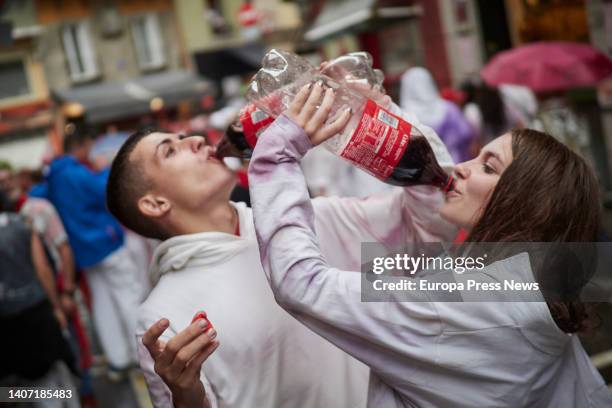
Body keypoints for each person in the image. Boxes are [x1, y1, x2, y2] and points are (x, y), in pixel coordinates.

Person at [247, 82, 612, 407]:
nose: (461, 167)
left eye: (489, 167)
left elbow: (303, 284)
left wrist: (277, 156)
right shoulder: (525, 283)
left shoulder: (469, 296)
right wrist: (391, 121)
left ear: (529, 203)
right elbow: (427, 232)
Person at [105, 129, 371, 407]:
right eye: (169, 151)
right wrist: (189, 399)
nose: (197, 140)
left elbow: (410, 256)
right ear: (155, 203)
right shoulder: (161, 318)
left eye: (185, 137)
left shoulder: (300, 219)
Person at [30, 130, 146, 376]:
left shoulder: (53, 176)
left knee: (102, 304)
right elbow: (106, 189)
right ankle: (142, 355)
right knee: (128, 296)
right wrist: (105, 169)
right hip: (106, 242)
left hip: (83, 251)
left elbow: (35, 195)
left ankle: (118, 358)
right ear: (80, 145)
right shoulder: (76, 172)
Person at [0, 191, 78, 405]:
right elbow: (43, 269)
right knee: (52, 377)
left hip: (7, 320)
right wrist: (56, 306)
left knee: (19, 384)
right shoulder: (23, 225)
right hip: (36, 312)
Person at [400, 67, 475, 162]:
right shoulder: (449, 108)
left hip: (428, 170)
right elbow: (465, 132)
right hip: (456, 162)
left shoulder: (404, 116)